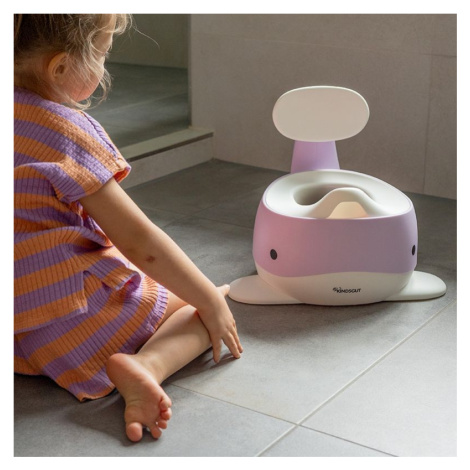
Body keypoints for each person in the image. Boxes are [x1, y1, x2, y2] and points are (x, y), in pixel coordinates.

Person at [14, 14, 243, 443]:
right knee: (198, 316)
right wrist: (208, 298)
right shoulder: (65, 132)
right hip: (68, 325)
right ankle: (144, 366)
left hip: (15, 330)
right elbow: (140, 242)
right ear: (61, 67)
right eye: (102, 53)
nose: (105, 65)